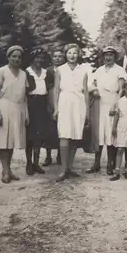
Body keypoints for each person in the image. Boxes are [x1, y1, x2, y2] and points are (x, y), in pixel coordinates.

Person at [86, 46, 127, 175]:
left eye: (111, 55)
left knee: (110, 133)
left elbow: (121, 89)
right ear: (103, 57)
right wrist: (95, 90)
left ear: (115, 57)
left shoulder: (120, 70)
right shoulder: (99, 70)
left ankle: (111, 164)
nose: (108, 57)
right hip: (99, 103)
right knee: (99, 133)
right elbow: (90, 84)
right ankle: (97, 163)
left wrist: (116, 105)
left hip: (112, 101)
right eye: (106, 55)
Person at [0, 45, 29, 183]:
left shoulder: (24, 74)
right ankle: (5, 171)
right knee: (3, 141)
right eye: (14, 56)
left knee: (11, 141)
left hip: (18, 109)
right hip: (4, 106)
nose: (16, 59)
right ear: (8, 57)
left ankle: (8, 169)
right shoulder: (1, 71)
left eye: (19, 57)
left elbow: (24, 97)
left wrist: (26, 114)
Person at [53, 43, 90, 182]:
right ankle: (63, 168)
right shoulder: (60, 70)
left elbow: (86, 91)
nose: (72, 55)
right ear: (65, 54)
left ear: (78, 54)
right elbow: (56, 89)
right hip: (64, 102)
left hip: (79, 103)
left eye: (74, 53)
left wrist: (87, 110)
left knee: (75, 135)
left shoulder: (83, 70)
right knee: (64, 134)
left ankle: (69, 167)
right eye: (69, 53)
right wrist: (56, 108)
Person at [25, 47, 51, 175]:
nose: (39, 60)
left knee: (39, 136)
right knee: (30, 136)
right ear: (32, 58)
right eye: (37, 57)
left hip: (42, 104)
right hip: (30, 103)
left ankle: (36, 163)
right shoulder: (27, 72)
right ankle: (29, 163)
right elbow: (23, 93)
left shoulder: (46, 73)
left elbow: (50, 91)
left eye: (41, 58)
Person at [43, 49, 66, 166]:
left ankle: (60, 155)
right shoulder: (48, 71)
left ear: (63, 58)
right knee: (49, 130)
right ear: (52, 58)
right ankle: (48, 156)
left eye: (60, 56)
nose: (57, 58)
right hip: (50, 101)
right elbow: (45, 87)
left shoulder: (65, 70)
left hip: (62, 101)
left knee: (60, 130)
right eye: (55, 56)